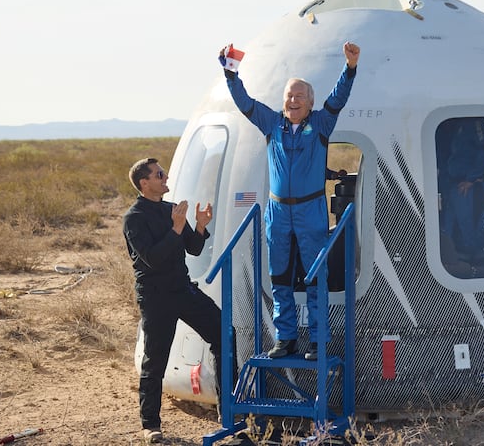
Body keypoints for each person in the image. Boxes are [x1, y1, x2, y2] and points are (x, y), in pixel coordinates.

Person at [219, 42, 360, 360]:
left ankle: (318, 341)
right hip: (278, 210)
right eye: (288, 96)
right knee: (280, 275)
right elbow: (245, 104)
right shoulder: (273, 124)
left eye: (299, 96)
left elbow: (337, 99)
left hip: (311, 210)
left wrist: (349, 68)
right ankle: (285, 338)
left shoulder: (321, 124)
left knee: (314, 275)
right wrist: (231, 76)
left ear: (310, 103)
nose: (293, 100)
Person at [122, 157, 222, 444]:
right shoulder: (134, 218)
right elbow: (152, 259)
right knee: (156, 359)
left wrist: (200, 225)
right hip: (156, 297)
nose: (165, 177)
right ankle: (150, 425)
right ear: (145, 183)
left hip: (182, 290)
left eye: (164, 173)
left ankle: (228, 409)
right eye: (159, 174)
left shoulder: (170, 209)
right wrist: (176, 228)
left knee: (223, 333)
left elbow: (193, 247)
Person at [436, 118, 484, 257]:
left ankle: (477, 269)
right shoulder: (447, 125)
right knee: (449, 232)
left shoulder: (475, 122)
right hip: (450, 186)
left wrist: (471, 179)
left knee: (471, 234)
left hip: (469, 187)